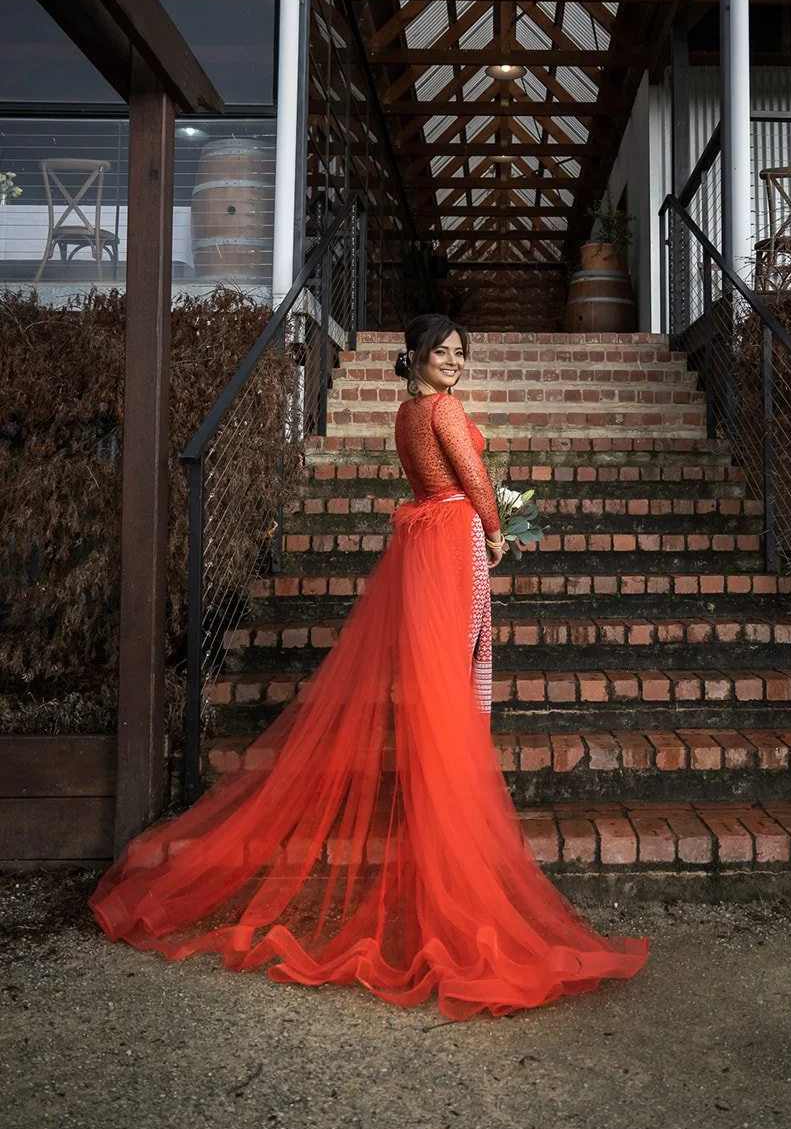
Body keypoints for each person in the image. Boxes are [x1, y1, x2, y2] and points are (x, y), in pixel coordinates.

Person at [90, 314, 648, 1018]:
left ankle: (442, 816)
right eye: (442, 352)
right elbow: (473, 475)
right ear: (417, 356)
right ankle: (455, 834)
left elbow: (436, 475)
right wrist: (495, 528)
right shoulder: (443, 410)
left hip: (424, 540)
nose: (454, 362)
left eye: (460, 353)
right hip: (452, 536)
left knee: (438, 673)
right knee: (458, 671)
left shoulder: (407, 413)